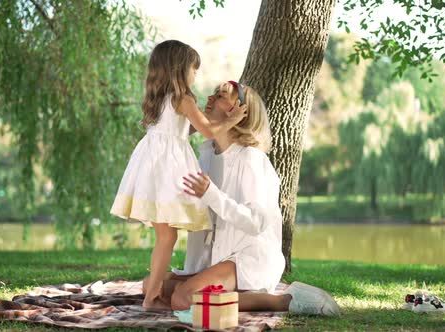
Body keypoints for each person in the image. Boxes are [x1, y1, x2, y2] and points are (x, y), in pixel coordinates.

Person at [145, 81, 340, 315]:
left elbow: (256, 222)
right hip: (216, 261)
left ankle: (282, 301)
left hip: (247, 257)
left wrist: (211, 194)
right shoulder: (206, 156)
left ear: (240, 111)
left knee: (184, 299)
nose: (209, 98)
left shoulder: (251, 159)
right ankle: (223, 297)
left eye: (220, 95)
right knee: (150, 286)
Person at [110, 40, 247, 309]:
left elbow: (188, 130)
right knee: (167, 236)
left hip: (152, 167)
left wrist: (214, 123)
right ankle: (151, 299)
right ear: (180, 70)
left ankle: (154, 291)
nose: (195, 76)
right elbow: (207, 131)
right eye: (193, 70)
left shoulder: (161, 98)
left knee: (166, 235)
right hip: (166, 170)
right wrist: (232, 120)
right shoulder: (183, 99)